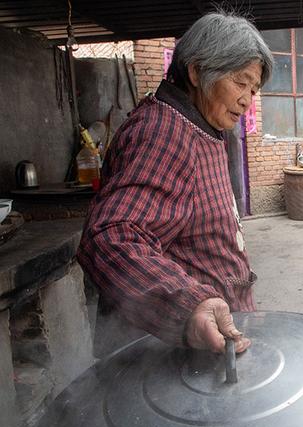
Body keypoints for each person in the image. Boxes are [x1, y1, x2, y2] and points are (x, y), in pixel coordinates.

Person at [77, 12, 274, 355]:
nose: (247, 99)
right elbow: (111, 236)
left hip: (214, 342)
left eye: (253, 89)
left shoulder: (200, 127)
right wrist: (187, 307)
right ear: (197, 72)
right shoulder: (164, 133)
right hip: (165, 356)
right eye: (240, 82)